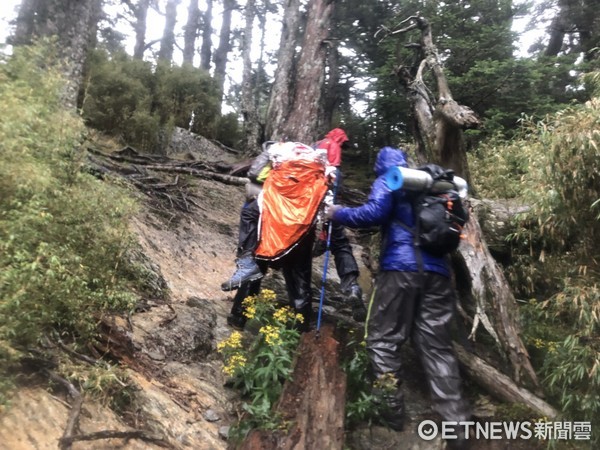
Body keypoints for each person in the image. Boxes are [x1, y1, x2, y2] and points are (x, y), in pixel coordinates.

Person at [325, 146, 470, 444]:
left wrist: (337, 213)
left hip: (399, 270)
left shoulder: (390, 180)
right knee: (437, 347)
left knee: (382, 337)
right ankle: (457, 426)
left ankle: (390, 413)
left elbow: (374, 212)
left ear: (381, 166)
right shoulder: (432, 187)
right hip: (438, 274)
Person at [221, 129, 367, 322]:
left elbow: (254, 174)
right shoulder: (322, 160)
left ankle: (239, 318)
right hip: (301, 227)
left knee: (255, 270)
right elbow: (329, 183)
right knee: (299, 276)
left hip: (270, 224)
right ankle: (302, 324)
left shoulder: (284, 154)